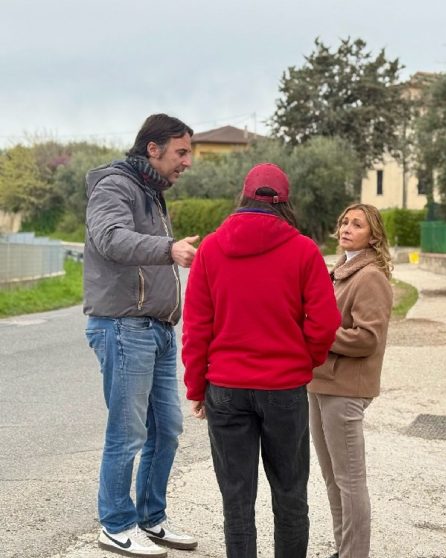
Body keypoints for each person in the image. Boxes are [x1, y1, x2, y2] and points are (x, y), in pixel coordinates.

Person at [182, 163, 341, 558]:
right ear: (285, 202)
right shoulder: (304, 249)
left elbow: (196, 327)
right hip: (283, 388)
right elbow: (325, 322)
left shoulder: (211, 250)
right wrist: (302, 362)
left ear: (244, 196)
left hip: (225, 388)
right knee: (290, 495)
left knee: (236, 500)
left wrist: (196, 387)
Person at [83, 114, 199, 557]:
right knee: (128, 431)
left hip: (158, 328)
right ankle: (115, 524)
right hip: (123, 326)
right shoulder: (114, 185)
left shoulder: (151, 191)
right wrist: (167, 249)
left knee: (166, 429)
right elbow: (110, 239)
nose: (187, 162)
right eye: (181, 151)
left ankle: (150, 519)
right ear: (153, 148)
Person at [308, 203, 394, 558]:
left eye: (356, 225)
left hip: (345, 388)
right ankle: (344, 549)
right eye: (344, 221)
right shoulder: (341, 269)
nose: (346, 228)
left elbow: (367, 338)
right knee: (332, 478)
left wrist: (316, 335)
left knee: (350, 481)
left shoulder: (370, 275)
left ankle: (355, 554)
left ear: (373, 236)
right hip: (320, 383)